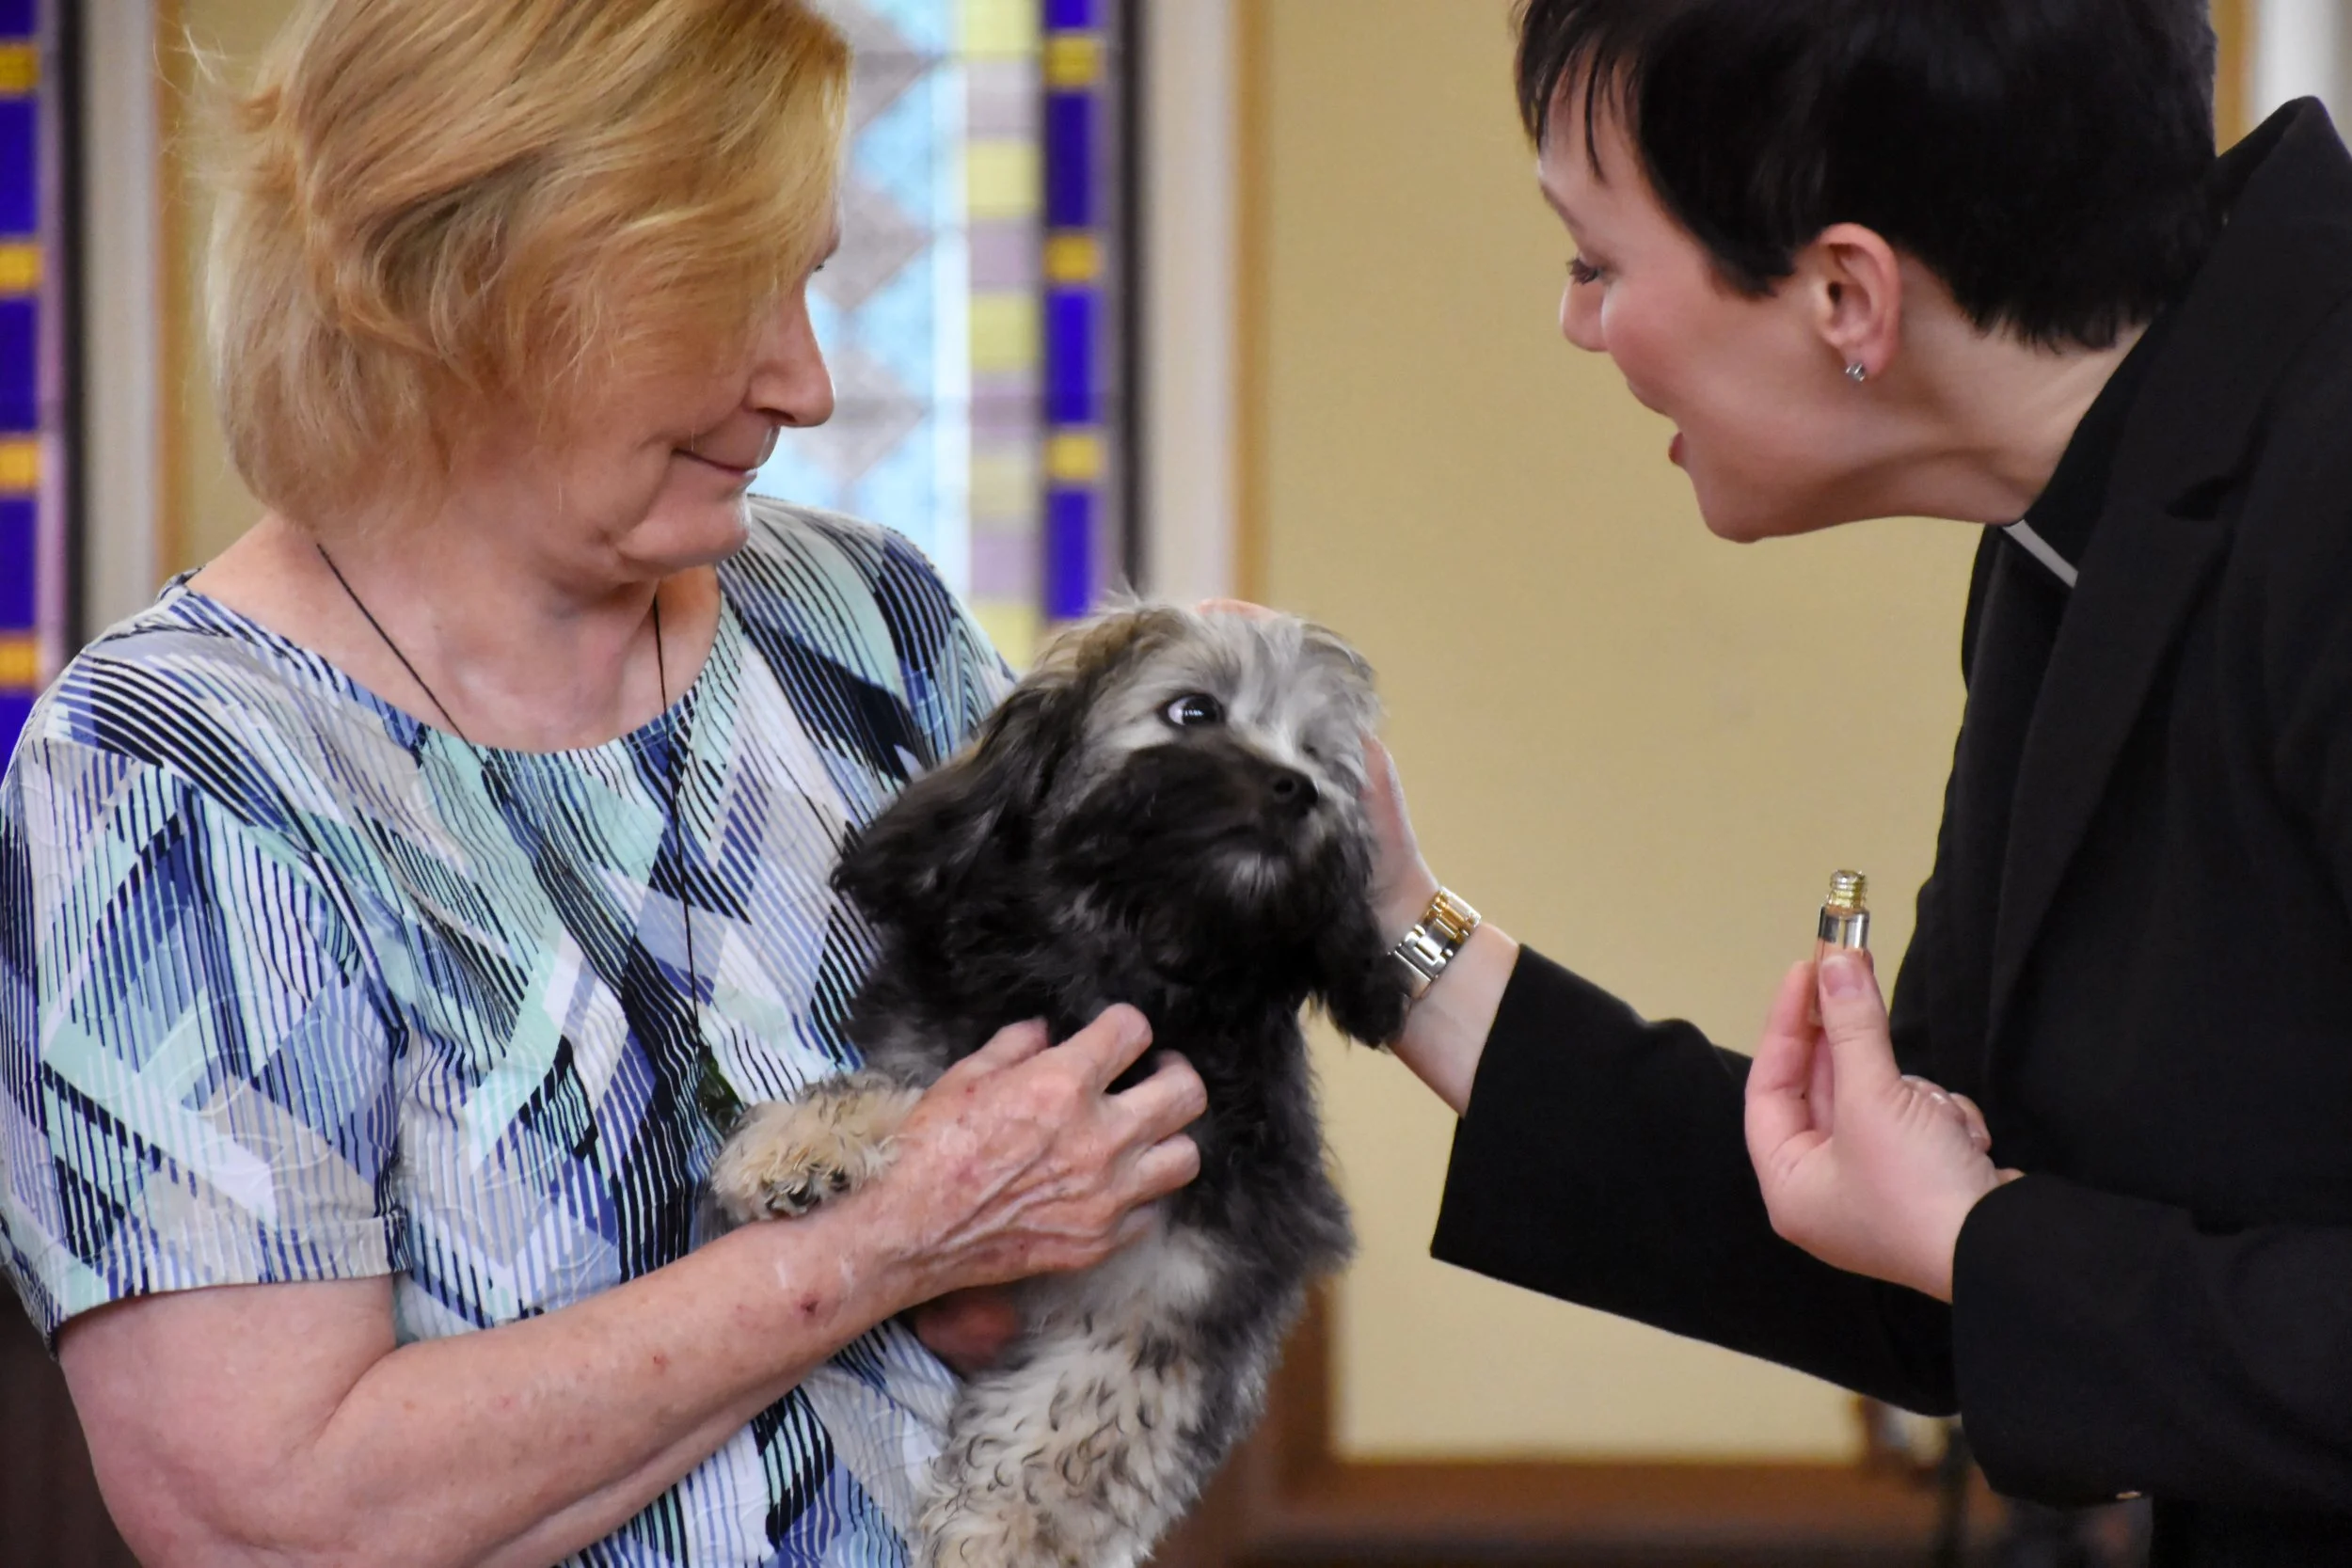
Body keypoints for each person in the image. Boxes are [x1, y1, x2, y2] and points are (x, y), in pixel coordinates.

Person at [0, 3, 1206, 1565]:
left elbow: (1111, 1177)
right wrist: (889, 1244)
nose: (808, 381)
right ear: (484, 286)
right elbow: (269, 1513)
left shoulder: (869, 626)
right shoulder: (172, 775)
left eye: (810, 283)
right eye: (730, 297)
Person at [1359, 2, 2352, 1562]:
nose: (1579, 326)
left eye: (1595, 263)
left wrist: (1980, 1236)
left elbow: (1982, 1239)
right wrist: (1391, 932)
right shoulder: (2078, 518)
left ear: (1844, 290)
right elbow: (1928, 1240)